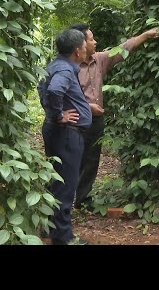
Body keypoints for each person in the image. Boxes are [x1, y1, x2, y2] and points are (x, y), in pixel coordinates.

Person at [69, 23, 159, 210]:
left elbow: (123, 49)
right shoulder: (68, 66)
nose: (95, 42)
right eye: (91, 39)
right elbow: (62, 97)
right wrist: (86, 107)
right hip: (74, 120)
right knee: (72, 158)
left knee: (91, 159)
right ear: (81, 44)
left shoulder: (99, 59)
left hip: (95, 121)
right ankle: (63, 201)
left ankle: (82, 199)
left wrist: (144, 35)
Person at [37, 28, 92, 245]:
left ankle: (50, 230)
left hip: (58, 132)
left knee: (55, 181)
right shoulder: (65, 71)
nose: (90, 45)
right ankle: (64, 237)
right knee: (66, 185)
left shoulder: (55, 65)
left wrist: (53, 114)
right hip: (67, 134)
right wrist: (59, 115)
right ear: (77, 51)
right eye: (87, 43)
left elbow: (44, 89)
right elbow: (54, 91)